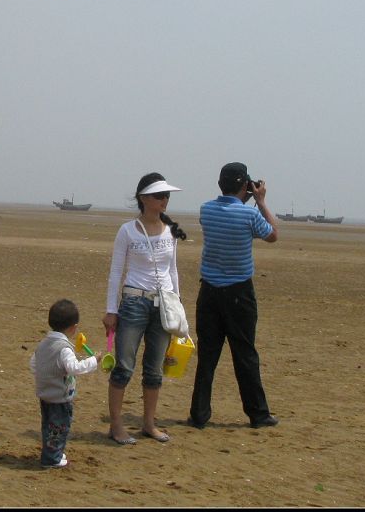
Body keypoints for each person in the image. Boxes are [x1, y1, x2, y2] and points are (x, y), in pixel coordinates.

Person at [189, 162, 279, 429]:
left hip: (209, 291)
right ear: (245, 186)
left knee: (208, 356)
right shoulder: (248, 215)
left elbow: (226, 211)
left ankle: (199, 414)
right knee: (245, 354)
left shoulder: (207, 210)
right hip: (239, 292)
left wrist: (244, 197)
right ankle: (258, 414)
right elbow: (273, 234)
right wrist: (260, 201)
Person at [102, 173, 186, 444]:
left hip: (163, 305)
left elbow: (172, 271)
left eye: (166, 196)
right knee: (124, 366)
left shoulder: (170, 231)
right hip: (134, 302)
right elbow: (116, 272)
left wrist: (178, 306)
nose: (164, 200)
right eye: (159, 196)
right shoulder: (127, 231)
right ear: (144, 199)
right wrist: (111, 310)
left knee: (155, 369)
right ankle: (116, 425)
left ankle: (149, 423)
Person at [30, 299, 102, 468]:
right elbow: (74, 368)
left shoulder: (43, 344)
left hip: (45, 394)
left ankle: (53, 452)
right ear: (73, 327)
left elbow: (34, 364)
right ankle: (52, 458)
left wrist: (46, 377)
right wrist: (93, 361)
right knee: (59, 428)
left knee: (48, 425)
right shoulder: (64, 348)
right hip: (60, 398)